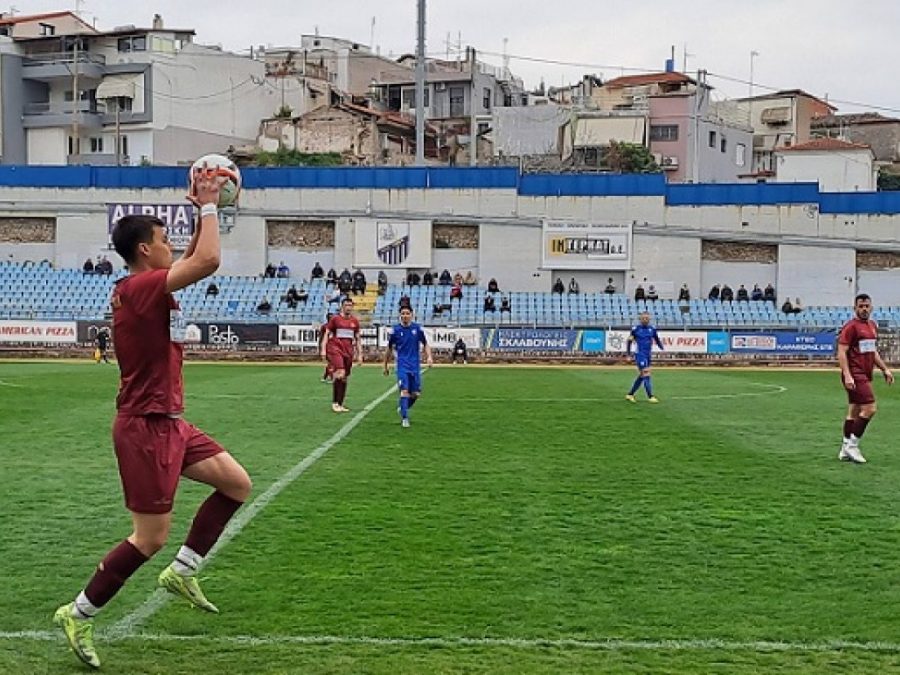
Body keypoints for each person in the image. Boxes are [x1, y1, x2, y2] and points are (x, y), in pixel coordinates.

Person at [53, 174, 252, 669]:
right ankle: (78, 612)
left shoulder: (142, 285)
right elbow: (205, 261)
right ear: (144, 250)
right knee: (150, 537)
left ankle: (182, 572)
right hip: (145, 426)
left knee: (235, 484)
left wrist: (204, 215)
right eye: (163, 241)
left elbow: (188, 260)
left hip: (170, 422)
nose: (171, 248)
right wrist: (209, 207)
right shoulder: (142, 288)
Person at [837, 293, 894, 464]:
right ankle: (853, 446)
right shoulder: (851, 327)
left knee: (854, 410)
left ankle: (845, 447)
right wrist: (847, 374)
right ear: (855, 308)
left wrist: (885, 369)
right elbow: (841, 352)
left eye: (866, 306)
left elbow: (872, 351)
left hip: (865, 372)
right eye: (860, 306)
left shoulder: (872, 326)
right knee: (870, 408)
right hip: (855, 374)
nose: (864, 309)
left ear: (871, 308)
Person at [383, 306, 433, 428]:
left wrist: (429, 357)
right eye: (403, 313)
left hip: (415, 365)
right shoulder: (396, 330)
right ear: (400, 315)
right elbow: (389, 349)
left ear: (412, 315)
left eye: (407, 313)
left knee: (415, 394)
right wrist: (385, 365)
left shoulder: (417, 329)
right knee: (404, 391)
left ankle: (403, 408)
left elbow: (425, 344)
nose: (405, 315)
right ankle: (405, 418)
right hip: (402, 365)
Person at [321, 297, 362, 413]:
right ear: (342, 306)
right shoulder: (335, 319)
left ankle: (340, 403)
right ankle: (335, 402)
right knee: (340, 373)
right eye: (346, 305)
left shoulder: (355, 322)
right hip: (335, 348)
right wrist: (323, 349)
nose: (348, 307)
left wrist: (360, 354)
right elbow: (326, 334)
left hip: (348, 351)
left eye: (350, 305)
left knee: (344, 378)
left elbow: (358, 339)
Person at [625, 311, 664, 404]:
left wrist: (662, 348)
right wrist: (628, 355)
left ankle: (630, 394)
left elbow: (657, 339)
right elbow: (629, 341)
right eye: (643, 318)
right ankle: (650, 396)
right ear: (640, 319)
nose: (645, 320)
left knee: (642, 376)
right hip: (640, 355)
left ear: (649, 319)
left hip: (648, 355)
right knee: (646, 374)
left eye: (647, 318)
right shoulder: (635, 329)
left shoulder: (652, 329)